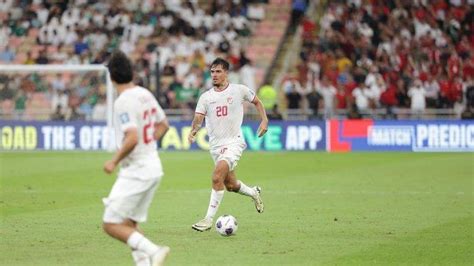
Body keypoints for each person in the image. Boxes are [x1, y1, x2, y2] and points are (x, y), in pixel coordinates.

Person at [102, 51, 170, 266]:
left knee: (110, 224)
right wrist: (149, 144)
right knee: (128, 223)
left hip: (137, 170)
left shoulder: (123, 101)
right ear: (131, 73)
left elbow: (131, 137)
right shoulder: (144, 93)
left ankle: (154, 250)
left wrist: (114, 160)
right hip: (153, 166)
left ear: (111, 77)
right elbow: (164, 124)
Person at [188, 58, 268, 232]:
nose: (214, 75)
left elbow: (257, 101)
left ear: (226, 73)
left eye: (218, 71)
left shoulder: (239, 90)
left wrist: (264, 120)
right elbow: (198, 117)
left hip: (234, 142)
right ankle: (254, 192)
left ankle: (208, 219)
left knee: (217, 176)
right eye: (212, 72)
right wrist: (194, 130)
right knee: (230, 185)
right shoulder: (206, 97)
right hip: (216, 147)